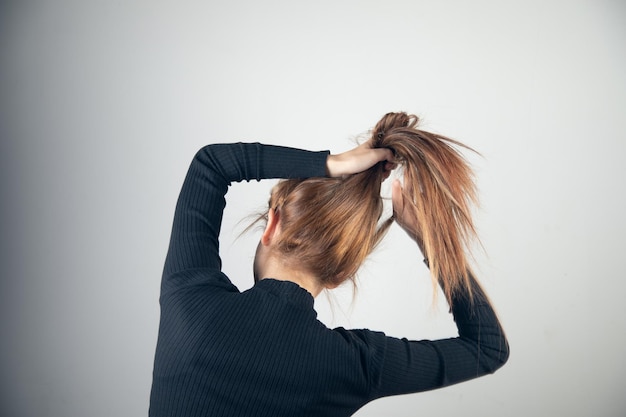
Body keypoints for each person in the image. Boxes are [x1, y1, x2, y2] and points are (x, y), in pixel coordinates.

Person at [149, 112, 509, 417]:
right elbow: (487, 348)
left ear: (272, 225)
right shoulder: (356, 365)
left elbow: (212, 163)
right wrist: (430, 240)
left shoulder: (190, 299)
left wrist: (330, 163)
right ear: (342, 274)